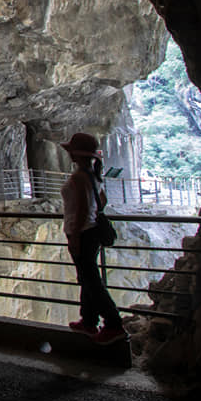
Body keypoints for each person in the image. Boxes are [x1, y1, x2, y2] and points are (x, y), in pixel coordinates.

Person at [59, 132, 127, 345]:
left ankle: (113, 324)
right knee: (87, 278)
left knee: (91, 281)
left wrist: (76, 236)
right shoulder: (92, 174)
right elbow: (101, 200)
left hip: (83, 233)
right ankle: (88, 320)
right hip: (91, 231)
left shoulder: (80, 176)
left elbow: (81, 208)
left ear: (76, 154)